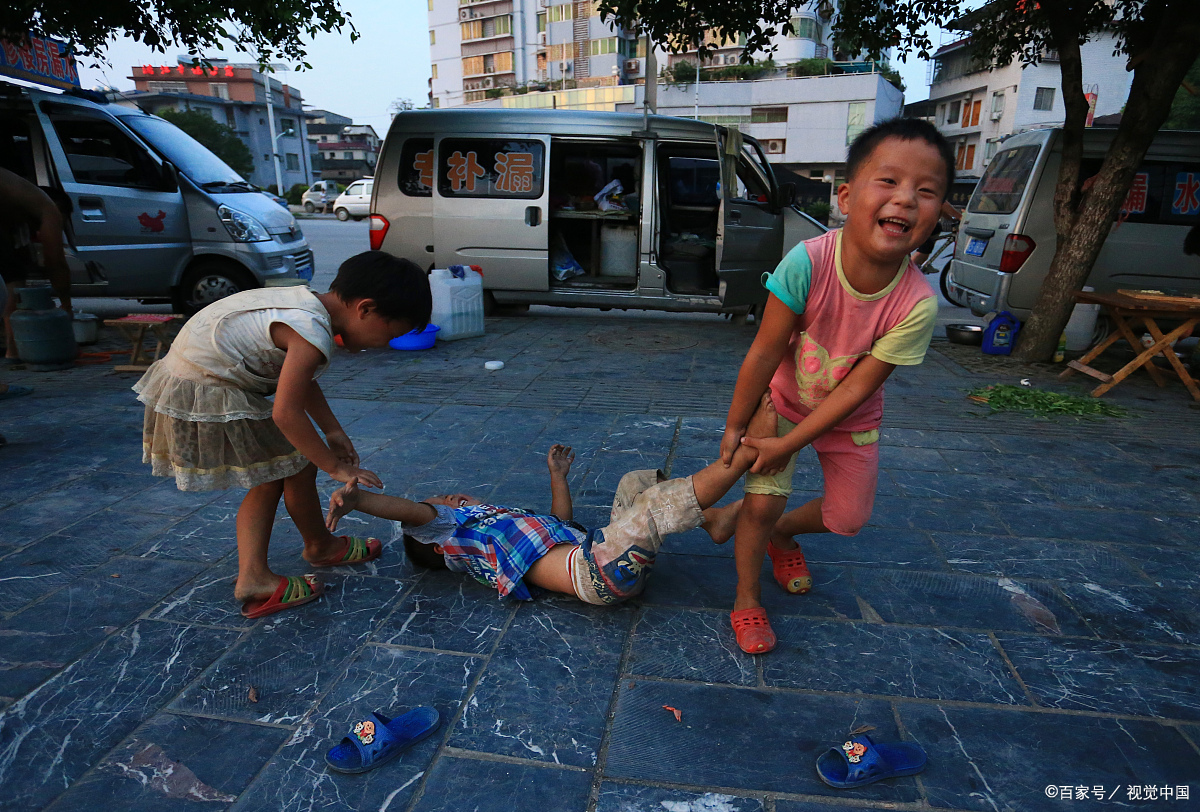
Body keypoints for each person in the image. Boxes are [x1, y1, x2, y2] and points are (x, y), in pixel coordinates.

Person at [720, 118, 952, 654]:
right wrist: (736, 424)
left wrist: (789, 447)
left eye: (926, 191)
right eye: (889, 181)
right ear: (846, 198)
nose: (906, 199)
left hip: (850, 418)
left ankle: (782, 532)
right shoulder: (807, 262)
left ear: (939, 212)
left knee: (848, 518)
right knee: (760, 504)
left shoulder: (916, 304)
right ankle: (747, 596)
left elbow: (855, 391)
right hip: (782, 403)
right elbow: (764, 351)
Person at [134, 252, 432, 618]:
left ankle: (319, 545)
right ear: (366, 309)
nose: (386, 344)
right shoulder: (310, 331)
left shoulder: (305, 304)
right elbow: (286, 412)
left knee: (297, 464)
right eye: (391, 333)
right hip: (205, 387)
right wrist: (336, 468)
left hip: (198, 375)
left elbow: (296, 379)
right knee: (271, 476)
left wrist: (332, 430)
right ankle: (253, 578)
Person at [323, 395, 779, 606]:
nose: (449, 498)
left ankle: (715, 521)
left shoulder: (502, 525)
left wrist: (557, 477)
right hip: (596, 575)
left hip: (597, 551)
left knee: (635, 483)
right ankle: (744, 456)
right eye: (440, 502)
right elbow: (406, 511)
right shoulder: (451, 532)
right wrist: (359, 501)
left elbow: (562, 523)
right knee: (656, 503)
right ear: (437, 538)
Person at [0, 167, 72, 363]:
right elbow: (55, 262)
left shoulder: (14, 199)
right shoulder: (49, 208)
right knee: (14, 281)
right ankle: (13, 352)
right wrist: (66, 305)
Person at [911, 200, 961, 270]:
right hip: (920, 222)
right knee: (926, 246)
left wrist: (952, 219)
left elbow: (942, 208)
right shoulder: (938, 196)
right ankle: (910, 268)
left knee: (937, 228)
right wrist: (960, 217)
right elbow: (942, 203)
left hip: (928, 222)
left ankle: (924, 263)